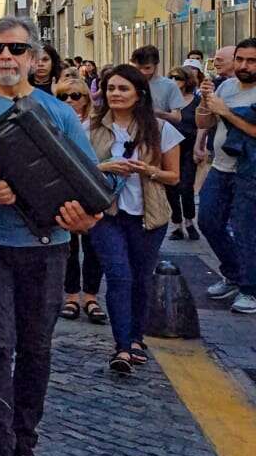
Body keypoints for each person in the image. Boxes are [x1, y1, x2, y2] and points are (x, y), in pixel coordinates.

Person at [0, 17, 100, 456]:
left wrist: (87, 219)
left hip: (46, 248)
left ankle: (24, 445)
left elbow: (93, 182)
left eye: (16, 48)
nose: (6, 57)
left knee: (37, 348)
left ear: (34, 57)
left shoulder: (58, 113)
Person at [88, 65, 181, 372]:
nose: (115, 93)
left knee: (141, 279)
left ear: (139, 94)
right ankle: (123, 347)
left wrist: (149, 171)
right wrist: (106, 167)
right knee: (118, 276)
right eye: (111, 88)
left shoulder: (160, 129)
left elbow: (174, 177)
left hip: (148, 216)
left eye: (123, 89)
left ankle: (136, 338)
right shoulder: (91, 128)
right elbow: (78, 168)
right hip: (106, 214)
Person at [196, 37, 256, 315]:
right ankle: (233, 274)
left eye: (251, 61)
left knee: (247, 231)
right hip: (220, 167)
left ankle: (249, 289)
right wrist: (206, 102)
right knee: (208, 221)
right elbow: (204, 122)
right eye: (240, 59)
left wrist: (226, 112)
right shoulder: (227, 86)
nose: (244, 65)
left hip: (249, 173)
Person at [53, 78, 105, 326]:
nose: (70, 101)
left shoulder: (98, 125)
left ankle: (91, 296)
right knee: (70, 248)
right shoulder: (54, 120)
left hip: (91, 189)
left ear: (86, 98)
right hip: (64, 190)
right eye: (63, 97)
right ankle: (72, 295)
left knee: (94, 247)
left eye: (75, 96)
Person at [168, 64, 203, 241]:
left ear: (186, 80)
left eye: (178, 78)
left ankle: (189, 221)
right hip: (169, 148)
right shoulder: (167, 100)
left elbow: (201, 126)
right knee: (171, 187)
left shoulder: (196, 100)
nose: (174, 81)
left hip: (189, 147)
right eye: (172, 78)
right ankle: (177, 224)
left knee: (186, 186)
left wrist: (199, 146)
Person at [131, 45, 186, 124]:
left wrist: (157, 113)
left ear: (156, 65)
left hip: (157, 131)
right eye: (139, 68)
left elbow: (177, 117)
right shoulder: (129, 82)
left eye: (147, 68)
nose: (143, 72)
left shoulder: (169, 85)